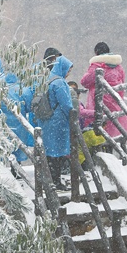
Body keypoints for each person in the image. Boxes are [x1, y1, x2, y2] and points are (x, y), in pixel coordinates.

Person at [34, 53, 74, 190]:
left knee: (49, 153)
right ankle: (55, 183)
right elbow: (66, 104)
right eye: (68, 70)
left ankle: (48, 181)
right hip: (57, 123)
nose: (68, 73)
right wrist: (73, 117)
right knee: (56, 154)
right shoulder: (60, 83)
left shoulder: (46, 79)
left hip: (45, 121)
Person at [80, 41, 127, 140]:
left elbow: (84, 81)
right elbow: (122, 81)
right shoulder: (118, 67)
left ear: (96, 53)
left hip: (101, 103)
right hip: (116, 103)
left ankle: (102, 150)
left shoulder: (97, 66)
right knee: (115, 132)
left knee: (101, 133)